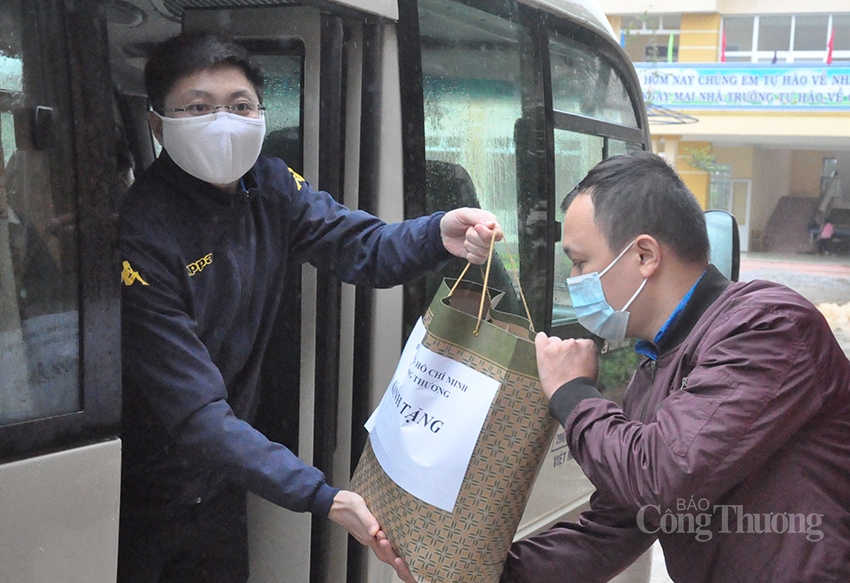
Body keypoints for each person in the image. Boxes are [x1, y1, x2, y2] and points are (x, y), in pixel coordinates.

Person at [119, 32, 501, 583]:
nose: (224, 121)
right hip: (149, 490)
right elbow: (197, 416)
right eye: (199, 108)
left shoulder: (269, 185)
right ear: (158, 125)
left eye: (240, 105)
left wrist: (439, 232)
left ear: (261, 115)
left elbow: (364, 247)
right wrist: (322, 496)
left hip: (223, 488)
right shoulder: (144, 230)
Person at [500, 151, 850, 582]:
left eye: (580, 262)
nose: (574, 281)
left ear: (645, 255)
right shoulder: (657, 366)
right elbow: (613, 529)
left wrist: (573, 394)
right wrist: (472, 570)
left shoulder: (768, 327)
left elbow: (661, 479)